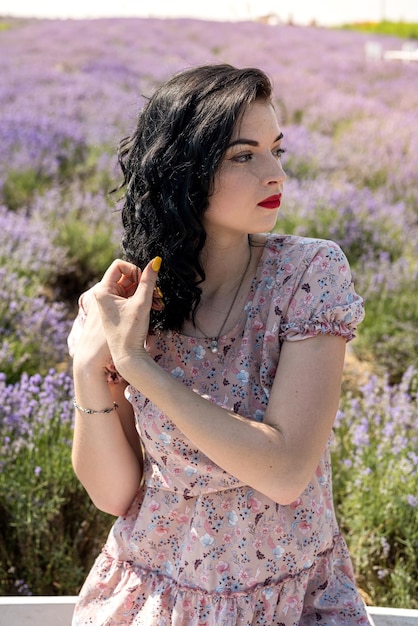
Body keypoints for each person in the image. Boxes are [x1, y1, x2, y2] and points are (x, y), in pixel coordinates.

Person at [68, 64, 373, 625]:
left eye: (276, 150)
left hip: (285, 601)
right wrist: (88, 369)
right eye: (244, 155)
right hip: (154, 599)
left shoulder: (308, 274)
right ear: (183, 170)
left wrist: (136, 365)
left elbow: (285, 472)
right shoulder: (140, 299)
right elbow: (115, 495)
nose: (274, 173)